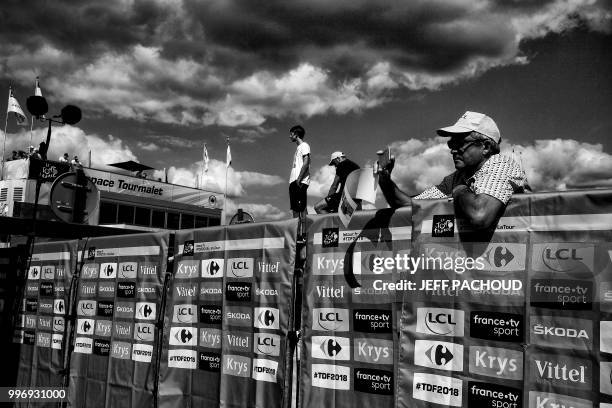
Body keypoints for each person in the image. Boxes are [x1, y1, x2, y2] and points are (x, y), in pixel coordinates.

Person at [378, 111, 527, 230]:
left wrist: (459, 190)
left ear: (486, 147)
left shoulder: (501, 165)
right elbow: (413, 205)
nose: (453, 151)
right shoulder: (457, 177)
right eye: (451, 144)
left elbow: (480, 216)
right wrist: (385, 180)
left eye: (459, 143)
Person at [288, 125, 310, 220]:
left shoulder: (304, 145)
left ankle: (305, 233)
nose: (290, 136)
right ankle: (297, 232)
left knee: (301, 209)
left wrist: (299, 179)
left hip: (299, 181)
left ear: (296, 134)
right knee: (295, 209)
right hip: (294, 181)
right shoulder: (299, 148)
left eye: (291, 134)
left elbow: (306, 161)